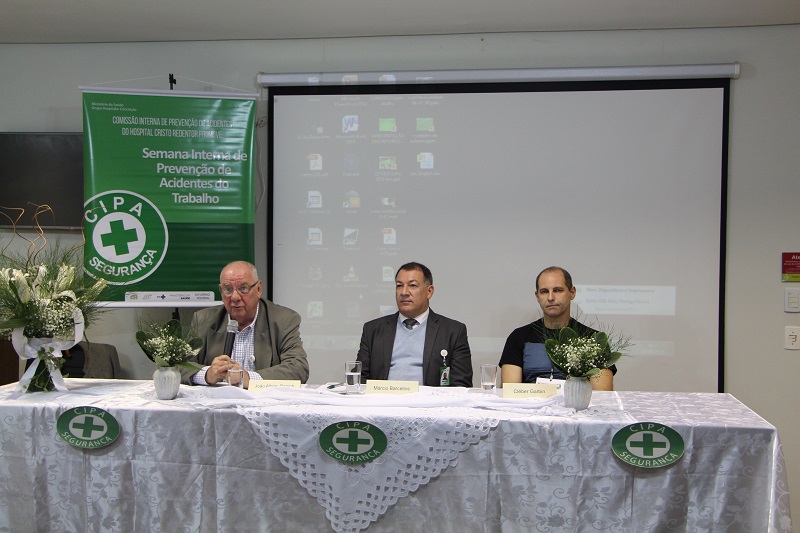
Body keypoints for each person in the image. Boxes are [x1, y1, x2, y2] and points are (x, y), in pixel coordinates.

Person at [181, 260, 309, 388]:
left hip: (262, 399)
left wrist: (248, 378)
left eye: (243, 288)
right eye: (228, 289)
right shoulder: (203, 320)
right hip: (219, 399)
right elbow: (179, 365)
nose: (235, 297)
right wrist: (207, 374)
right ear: (221, 291)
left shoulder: (283, 320)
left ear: (258, 289)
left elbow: (298, 368)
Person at [357, 262, 473, 387]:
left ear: (429, 291)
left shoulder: (453, 331)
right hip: (384, 398)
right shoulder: (373, 330)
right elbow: (359, 379)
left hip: (429, 399)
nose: (404, 292)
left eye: (412, 285)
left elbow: (461, 384)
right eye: (399, 286)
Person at [499, 266, 615, 390]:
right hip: (530, 401)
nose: (550, 298)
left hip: (576, 401)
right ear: (537, 296)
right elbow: (510, 392)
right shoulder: (518, 337)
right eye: (544, 291)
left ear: (572, 293)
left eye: (558, 290)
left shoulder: (594, 340)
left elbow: (602, 394)